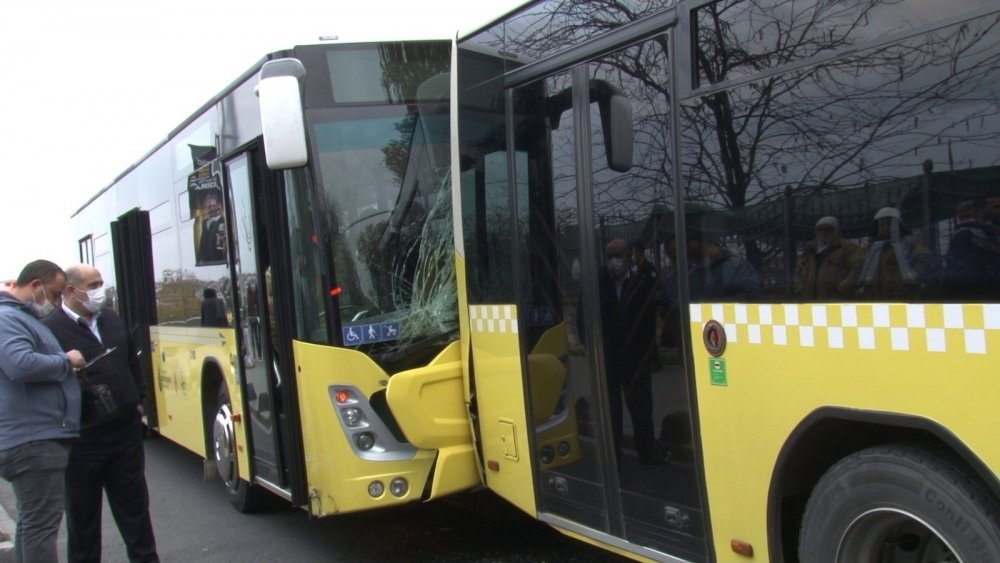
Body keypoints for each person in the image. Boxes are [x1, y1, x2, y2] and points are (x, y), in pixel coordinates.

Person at [43, 264, 158, 563]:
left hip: (124, 433)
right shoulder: (50, 329)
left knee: (135, 509)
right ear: (70, 291)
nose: (99, 291)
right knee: (83, 519)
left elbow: (132, 361)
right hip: (83, 440)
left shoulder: (110, 319)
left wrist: (139, 397)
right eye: (93, 285)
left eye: (101, 283)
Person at [0, 259, 86, 563]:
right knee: (41, 528)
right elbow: (20, 364)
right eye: (54, 293)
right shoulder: (8, 319)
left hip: (30, 436)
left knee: (31, 524)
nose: (56, 301)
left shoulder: (17, 317)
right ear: (36, 285)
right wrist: (66, 361)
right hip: (34, 440)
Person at [599, 239, 663, 465]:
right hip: (608, 359)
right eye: (610, 256)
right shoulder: (599, 283)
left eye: (618, 255)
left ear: (628, 257)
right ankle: (614, 455)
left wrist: (648, 353)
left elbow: (649, 319)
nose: (614, 260)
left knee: (641, 409)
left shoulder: (640, 283)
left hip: (636, 359)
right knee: (612, 411)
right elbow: (583, 317)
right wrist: (594, 350)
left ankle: (647, 453)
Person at [858, 207, 936, 300]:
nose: (886, 227)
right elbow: (859, 269)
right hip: (875, 300)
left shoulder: (911, 242)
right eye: (882, 225)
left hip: (903, 298)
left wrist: (911, 277)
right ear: (877, 227)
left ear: (898, 225)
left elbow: (926, 261)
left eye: (890, 224)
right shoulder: (872, 248)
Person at [793, 216, 864, 300]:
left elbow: (857, 270)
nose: (823, 232)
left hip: (836, 302)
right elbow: (799, 269)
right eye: (820, 229)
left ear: (835, 230)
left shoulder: (848, 248)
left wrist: (841, 290)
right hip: (810, 301)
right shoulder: (810, 248)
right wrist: (800, 289)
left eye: (827, 229)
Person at [943, 200, 1000, 299]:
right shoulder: (967, 233)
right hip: (980, 291)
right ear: (980, 212)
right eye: (965, 217)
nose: (968, 220)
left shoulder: (989, 231)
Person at [198, 193, 226, 265]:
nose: (212, 208)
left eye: (214, 206)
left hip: (219, 260)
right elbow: (203, 241)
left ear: (218, 206)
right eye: (209, 206)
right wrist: (201, 258)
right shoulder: (205, 222)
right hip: (207, 261)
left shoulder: (224, 221)